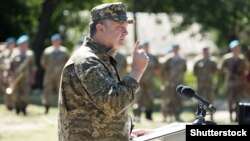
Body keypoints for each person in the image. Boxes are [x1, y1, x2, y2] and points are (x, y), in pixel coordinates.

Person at [58, 2, 151, 141]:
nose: (125, 32)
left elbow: (100, 112)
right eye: (119, 27)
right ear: (100, 28)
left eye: (126, 27)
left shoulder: (102, 58)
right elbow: (113, 104)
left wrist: (124, 134)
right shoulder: (86, 61)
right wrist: (137, 71)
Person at [41, 33, 69, 114]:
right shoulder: (47, 51)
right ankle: (46, 105)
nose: (56, 42)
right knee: (47, 89)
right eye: (55, 40)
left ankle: (61, 106)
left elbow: (67, 62)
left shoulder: (64, 51)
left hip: (60, 74)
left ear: (60, 41)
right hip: (49, 74)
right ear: (52, 41)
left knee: (61, 90)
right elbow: (43, 62)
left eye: (58, 40)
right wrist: (49, 69)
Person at [220, 40, 247, 122]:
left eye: (238, 47)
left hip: (239, 82)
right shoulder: (226, 58)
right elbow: (221, 68)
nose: (236, 49)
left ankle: (237, 116)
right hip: (230, 82)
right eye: (235, 47)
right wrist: (227, 72)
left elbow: (246, 69)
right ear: (231, 49)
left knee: (238, 100)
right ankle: (230, 116)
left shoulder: (242, 58)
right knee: (230, 100)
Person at [133, 40, 159, 122]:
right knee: (138, 99)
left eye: (147, 46)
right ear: (142, 47)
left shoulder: (153, 57)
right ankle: (137, 116)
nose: (146, 47)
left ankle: (149, 116)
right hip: (139, 81)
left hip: (149, 82)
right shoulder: (138, 56)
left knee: (150, 98)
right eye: (145, 45)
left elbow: (157, 69)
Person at [10, 35, 37, 115]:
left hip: (26, 78)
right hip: (16, 78)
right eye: (21, 44)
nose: (23, 45)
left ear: (27, 44)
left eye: (25, 43)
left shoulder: (30, 54)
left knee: (25, 94)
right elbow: (10, 66)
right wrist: (11, 74)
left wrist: (32, 78)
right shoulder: (14, 53)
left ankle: (24, 108)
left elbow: (33, 68)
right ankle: (17, 108)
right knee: (16, 93)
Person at [161, 44, 187, 122]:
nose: (175, 50)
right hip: (170, 83)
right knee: (169, 99)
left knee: (178, 100)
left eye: (177, 48)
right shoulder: (168, 59)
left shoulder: (182, 60)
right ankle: (168, 115)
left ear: (179, 49)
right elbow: (164, 70)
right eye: (174, 48)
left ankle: (177, 116)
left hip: (179, 83)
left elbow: (184, 70)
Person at [193, 46, 218, 121]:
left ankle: (211, 116)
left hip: (209, 84)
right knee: (199, 100)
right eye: (204, 51)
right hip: (200, 84)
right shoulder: (197, 61)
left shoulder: (213, 61)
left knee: (210, 100)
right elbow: (194, 71)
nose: (205, 53)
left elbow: (216, 70)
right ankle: (199, 115)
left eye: (207, 51)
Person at [0, 37, 16, 110]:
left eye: (12, 44)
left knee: (13, 91)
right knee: (6, 91)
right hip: (5, 75)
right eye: (9, 44)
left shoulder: (16, 53)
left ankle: (13, 105)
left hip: (14, 75)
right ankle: (8, 105)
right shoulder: (4, 53)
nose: (11, 45)